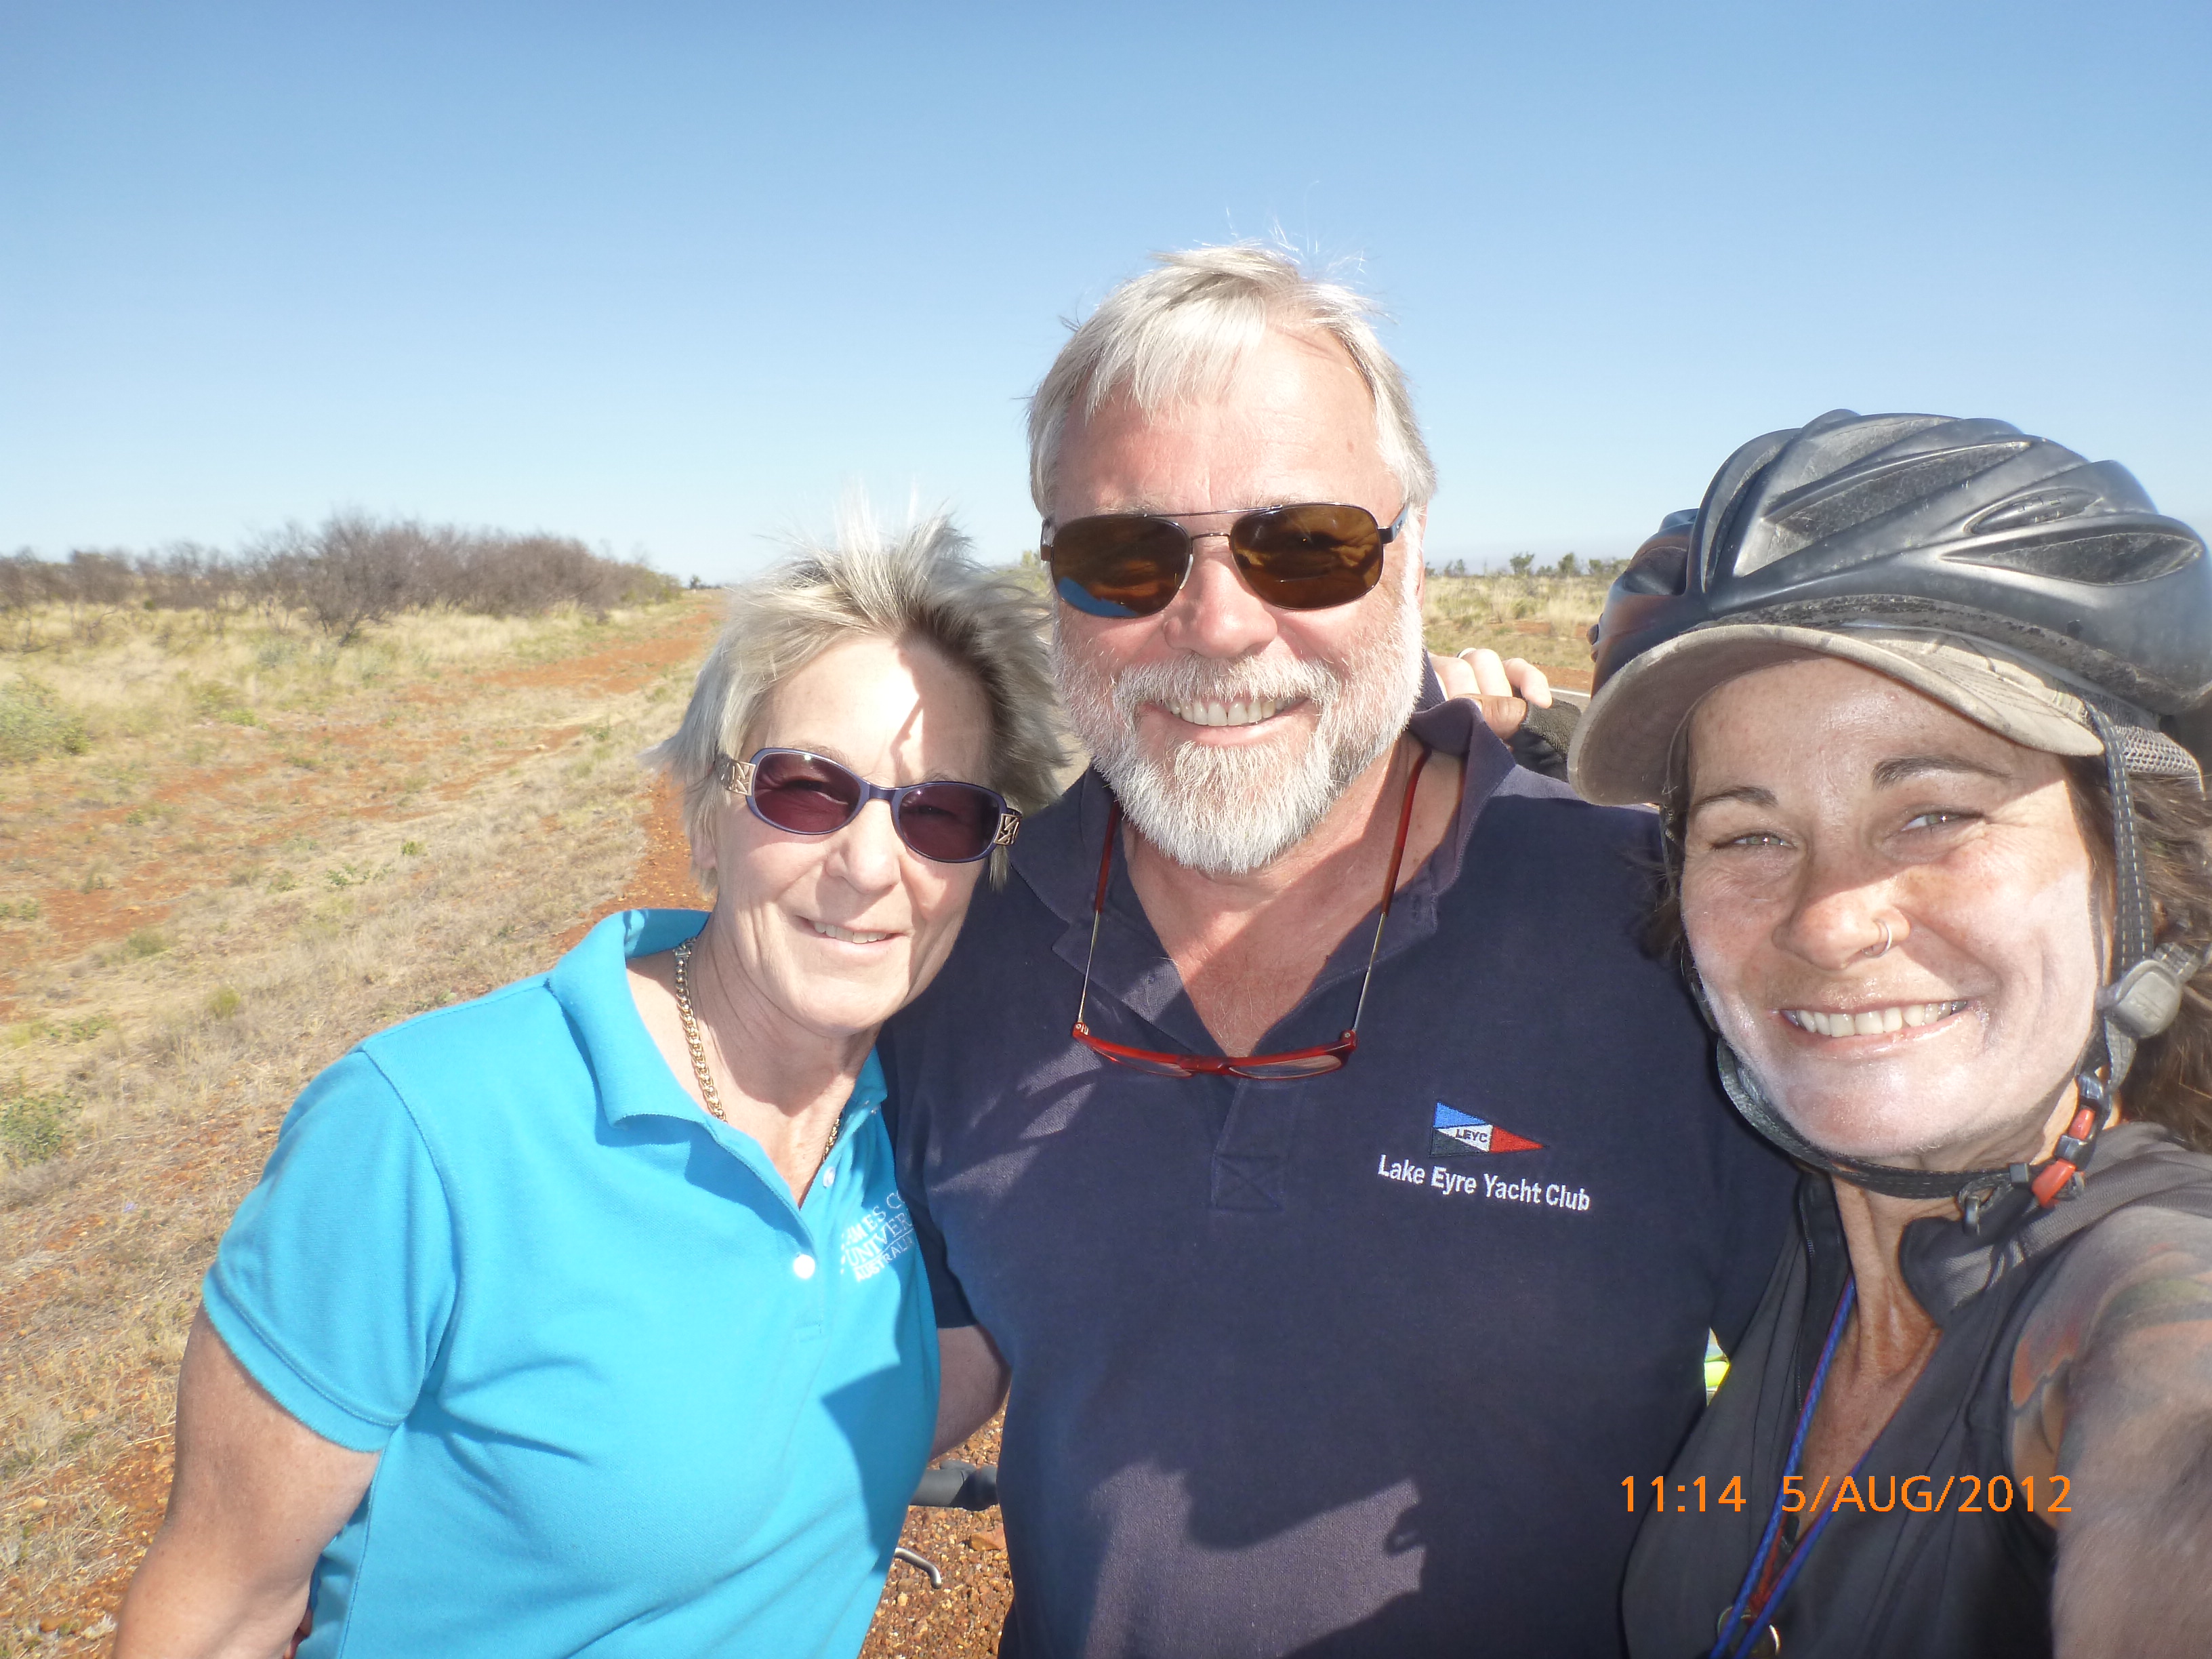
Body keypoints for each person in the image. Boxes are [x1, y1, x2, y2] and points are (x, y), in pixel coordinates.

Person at [884, 245, 1797, 1658]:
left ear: (1411, 556)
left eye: (1303, 545)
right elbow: (937, 1342)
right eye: (1126, 557)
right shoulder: (960, 948)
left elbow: (1886, 1405)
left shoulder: (1661, 934)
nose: (1218, 624)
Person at [112, 516, 1067, 1658]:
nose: (870, 865)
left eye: (939, 814)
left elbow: (905, 1384)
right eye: (807, 790)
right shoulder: (425, 1134)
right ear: (707, 818)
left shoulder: (926, 1121)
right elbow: (219, 1612)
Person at [1567, 410, 2212, 1658]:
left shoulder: (2140, 1282)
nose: (1828, 920)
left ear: (2143, 879)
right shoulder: (1802, 1248)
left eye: (1933, 816)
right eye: (1750, 833)